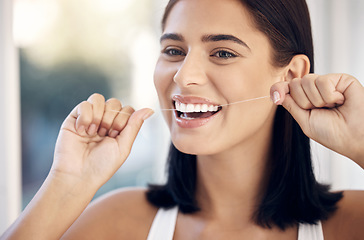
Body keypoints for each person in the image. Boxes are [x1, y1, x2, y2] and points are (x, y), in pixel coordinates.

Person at [2, 0, 364, 239]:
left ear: (290, 75)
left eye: (222, 52)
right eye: (173, 51)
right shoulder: (116, 224)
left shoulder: (350, 223)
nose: (183, 75)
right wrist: (67, 183)